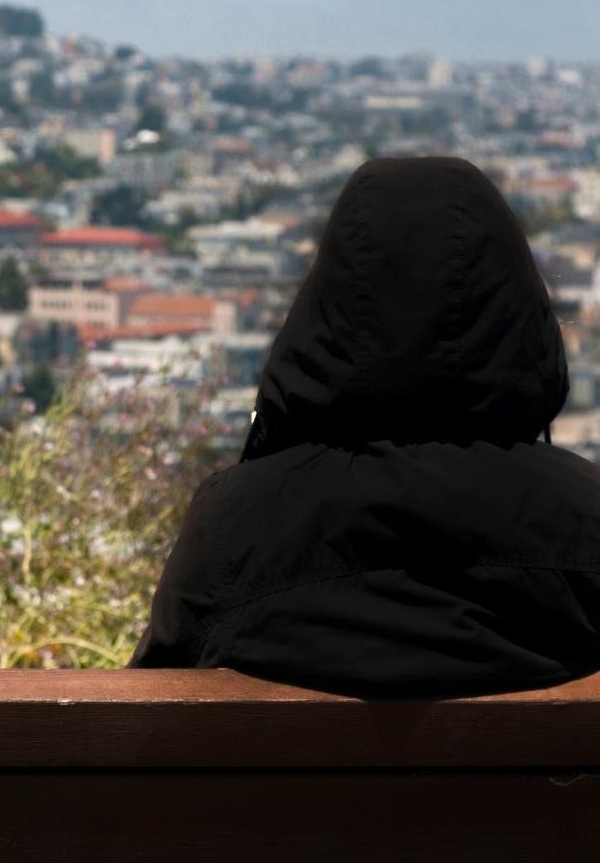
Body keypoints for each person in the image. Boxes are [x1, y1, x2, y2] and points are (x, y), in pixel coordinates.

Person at [130, 156, 600, 698]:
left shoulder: (234, 527)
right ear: (519, 310)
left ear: (325, 309)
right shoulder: (585, 520)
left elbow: (151, 704)